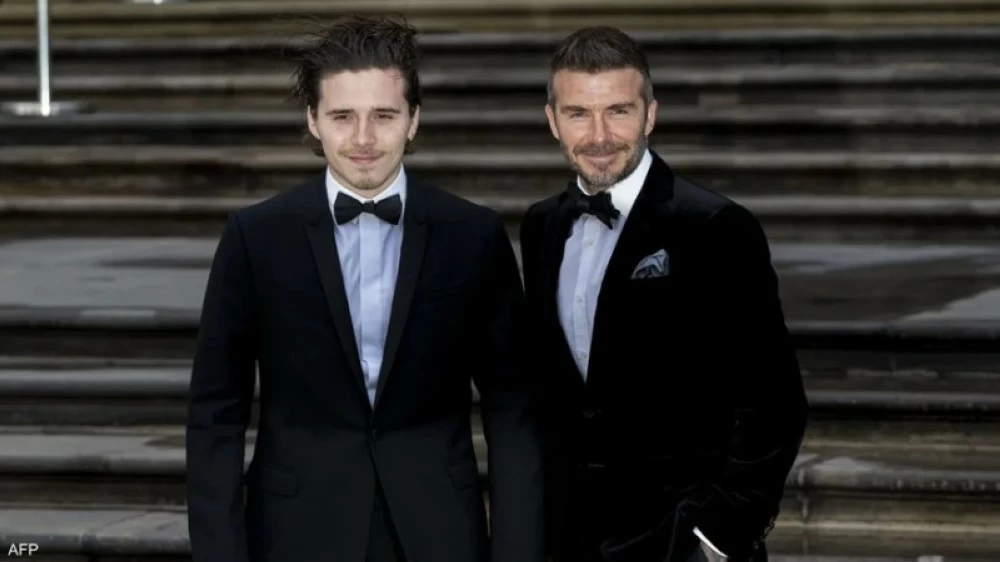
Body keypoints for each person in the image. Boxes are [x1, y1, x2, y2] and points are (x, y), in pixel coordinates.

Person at [185, 15, 544, 562]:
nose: (363, 139)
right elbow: (216, 411)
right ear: (313, 120)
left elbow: (513, 410)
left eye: (383, 115)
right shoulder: (255, 238)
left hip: (440, 532)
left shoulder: (473, 235)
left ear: (414, 119)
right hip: (295, 532)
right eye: (342, 116)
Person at [519, 26, 809, 562]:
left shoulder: (716, 226)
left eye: (619, 111)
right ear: (552, 121)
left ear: (650, 115)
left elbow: (774, 401)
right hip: (573, 536)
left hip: (682, 538)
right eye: (579, 113)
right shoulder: (542, 226)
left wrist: (718, 536)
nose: (599, 135)